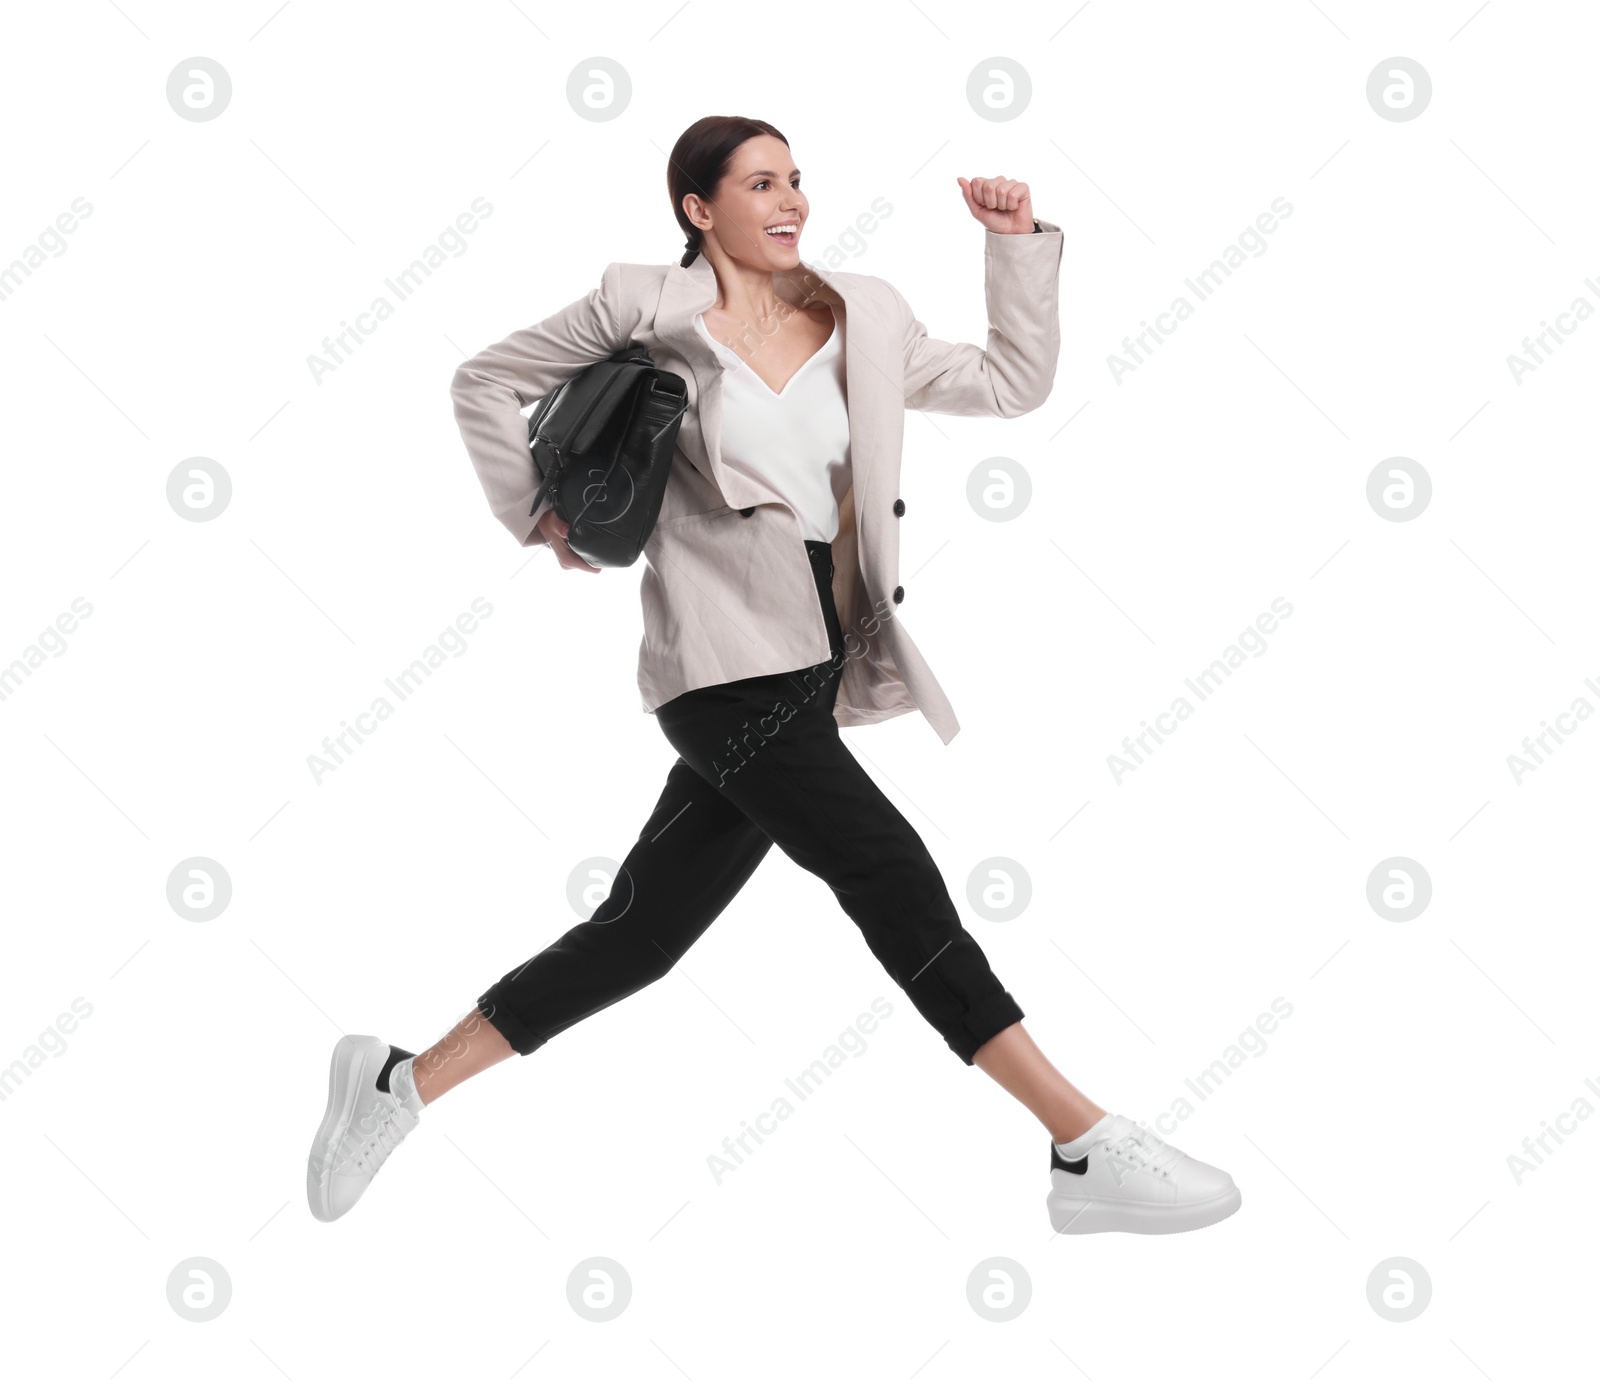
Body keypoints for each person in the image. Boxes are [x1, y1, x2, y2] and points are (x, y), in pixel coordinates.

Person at [306, 115, 1241, 1236]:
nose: (790, 199)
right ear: (701, 209)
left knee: (640, 935)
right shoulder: (641, 307)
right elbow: (483, 381)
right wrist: (540, 517)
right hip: (714, 651)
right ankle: (1080, 1141)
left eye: (796, 179)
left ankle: (394, 1083)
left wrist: (1016, 241)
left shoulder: (865, 312)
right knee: (886, 866)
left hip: (812, 649)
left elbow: (1008, 383)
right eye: (760, 183)